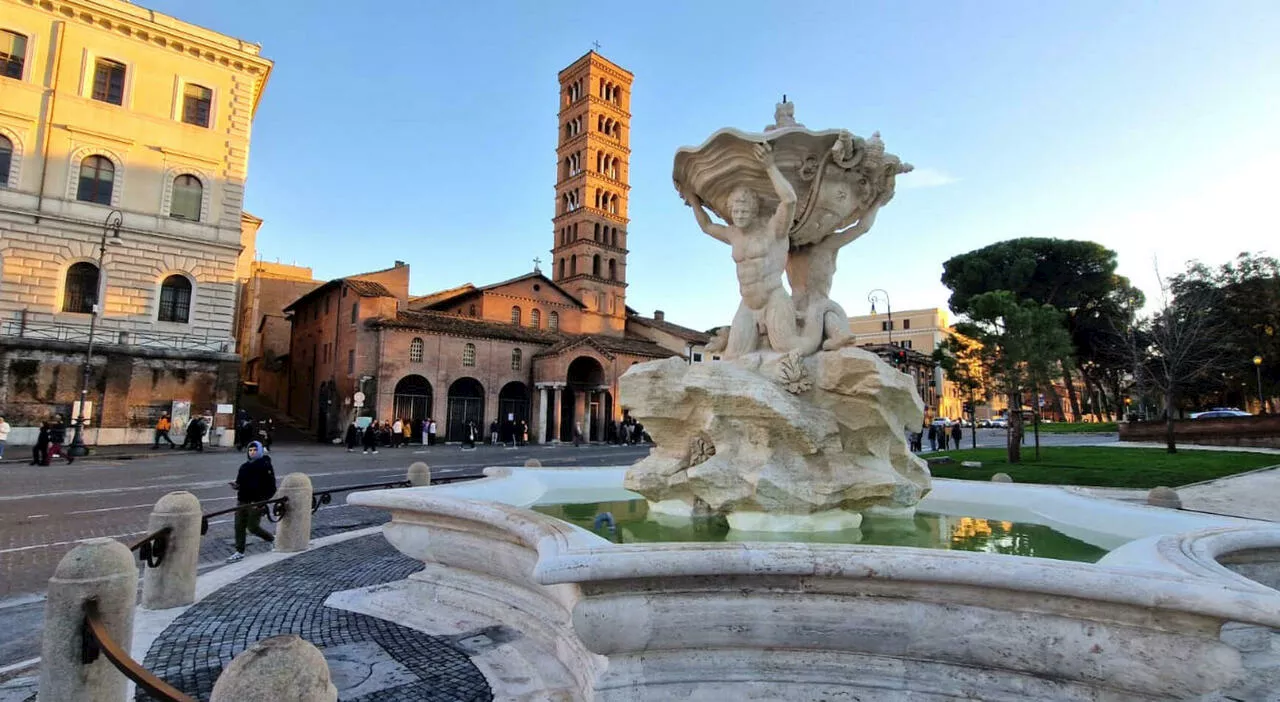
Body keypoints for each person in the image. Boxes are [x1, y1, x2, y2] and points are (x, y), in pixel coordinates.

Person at [680, 143, 801, 359]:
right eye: (735, 210)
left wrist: (770, 166)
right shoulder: (734, 233)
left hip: (773, 297)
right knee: (732, 357)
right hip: (747, 303)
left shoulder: (773, 229)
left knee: (788, 348)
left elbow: (790, 200)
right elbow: (707, 227)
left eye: (744, 210)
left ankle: (815, 332)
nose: (740, 214)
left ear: (754, 211)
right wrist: (693, 200)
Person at [226, 441, 276, 563]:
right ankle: (239, 551)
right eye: (250, 450)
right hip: (242, 500)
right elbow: (240, 482)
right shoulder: (244, 466)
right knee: (239, 526)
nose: (252, 452)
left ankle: (272, 539)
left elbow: (271, 487)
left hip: (256, 502)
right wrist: (236, 486)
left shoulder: (265, 466)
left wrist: (262, 502)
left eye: (254, 450)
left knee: (253, 527)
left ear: (259, 451)